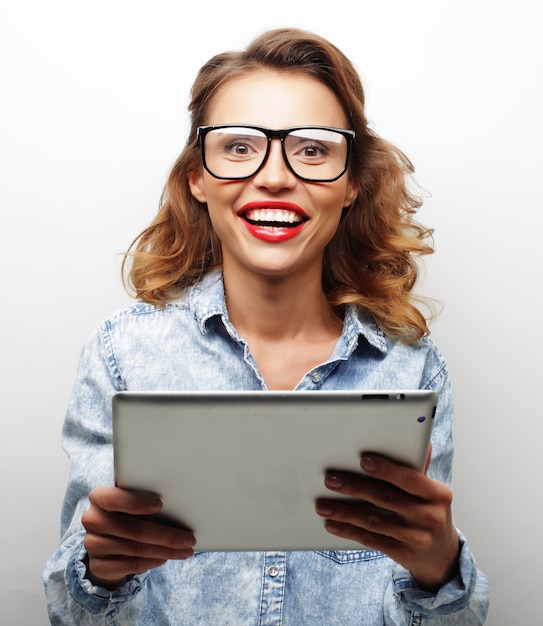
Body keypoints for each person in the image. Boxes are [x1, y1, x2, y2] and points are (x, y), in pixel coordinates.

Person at [44, 28, 490, 625]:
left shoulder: (410, 367)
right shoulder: (123, 353)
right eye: (237, 146)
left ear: (352, 181)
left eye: (312, 149)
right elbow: (70, 614)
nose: (276, 177)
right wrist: (98, 573)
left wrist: (441, 565)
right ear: (197, 177)